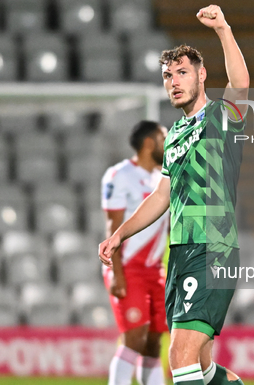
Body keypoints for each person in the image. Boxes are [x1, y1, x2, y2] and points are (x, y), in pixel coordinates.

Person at [99, 4, 250, 385]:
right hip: (181, 251)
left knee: (179, 354)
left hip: (212, 245)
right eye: (168, 75)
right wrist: (119, 235)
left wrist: (223, 29)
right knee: (199, 366)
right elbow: (160, 196)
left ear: (202, 75)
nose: (174, 81)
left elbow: (242, 84)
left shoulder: (221, 118)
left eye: (182, 72)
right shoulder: (175, 137)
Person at [101, 120, 169, 385]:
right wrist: (117, 274)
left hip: (155, 271)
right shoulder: (119, 175)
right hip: (128, 267)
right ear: (149, 143)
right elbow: (112, 227)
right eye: (163, 139)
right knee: (135, 337)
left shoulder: (164, 178)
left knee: (153, 343)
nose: (168, 144)